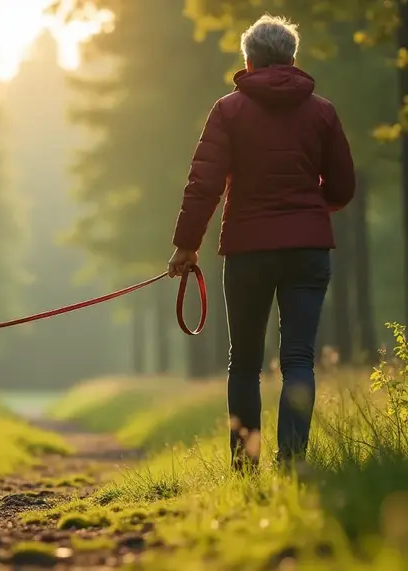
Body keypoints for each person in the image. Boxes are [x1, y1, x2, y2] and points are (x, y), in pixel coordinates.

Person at [166, 14, 356, 471]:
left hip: (248, 249)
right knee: (298, 360)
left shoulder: (228, 110)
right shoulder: (323, 111)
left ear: (249, 61)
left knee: (245, 361)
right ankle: (292, 462)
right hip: (309, 251)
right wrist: (310, 208)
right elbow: (343, 188)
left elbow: (203, 184)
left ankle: (245, 464)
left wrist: (186, 244)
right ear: (292, 59)